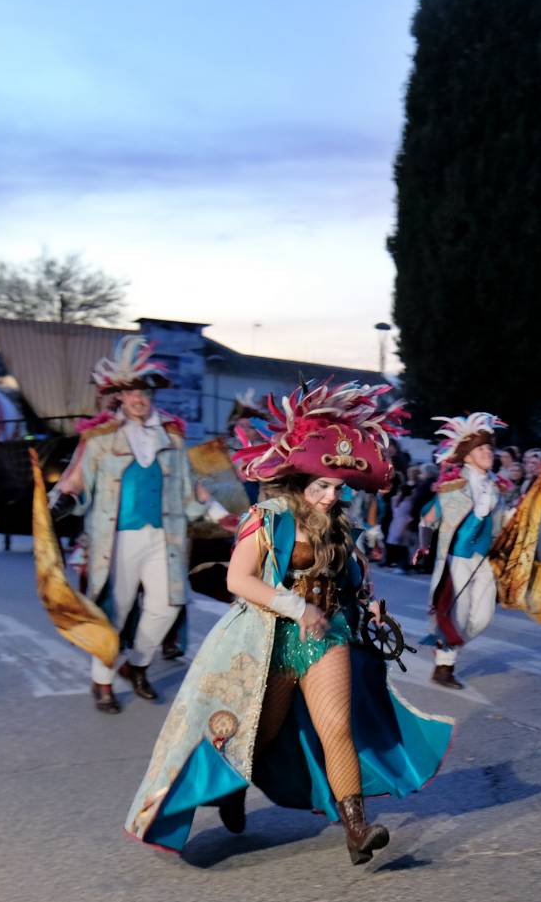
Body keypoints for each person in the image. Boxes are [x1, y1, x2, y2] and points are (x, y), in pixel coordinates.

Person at [124, 382, 451, 863]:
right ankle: (231, 788)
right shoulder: (267, 516)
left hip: (327, 636)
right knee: (260, 732)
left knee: (337, 726)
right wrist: (298, 608)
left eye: (338, 487)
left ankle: (356, 828)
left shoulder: (339, 521)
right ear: (300, 480)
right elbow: (239, 578)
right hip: (268, 640)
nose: (330, 496)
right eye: (322, 486)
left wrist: (368, 605)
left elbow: (354, 578)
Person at [52, 336, 231, 714]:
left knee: (168, 604)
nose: (139, 398)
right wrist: (61, 501)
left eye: (145, 391)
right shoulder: (100, 438)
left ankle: (137, 664)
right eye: (132, 391)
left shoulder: (172, 437)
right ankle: (102, 682)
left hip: (163, 537)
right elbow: (76, 480)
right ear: (119, 395)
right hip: (116, 541)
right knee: (114, 612)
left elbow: (189, 489)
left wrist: (220, 514)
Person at [423, 412, 509, 689]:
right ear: (468, 456)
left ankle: (446, 644)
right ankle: (444, 666)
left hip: (483, 559)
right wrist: (423, 546)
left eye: (489, 448)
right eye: (481, 449)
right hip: (456, 558)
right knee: (455, 614)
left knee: (483, 618)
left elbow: (500, 525)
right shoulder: (452, 486)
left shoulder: (497, 487)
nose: (488, 453)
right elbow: (428, 518)